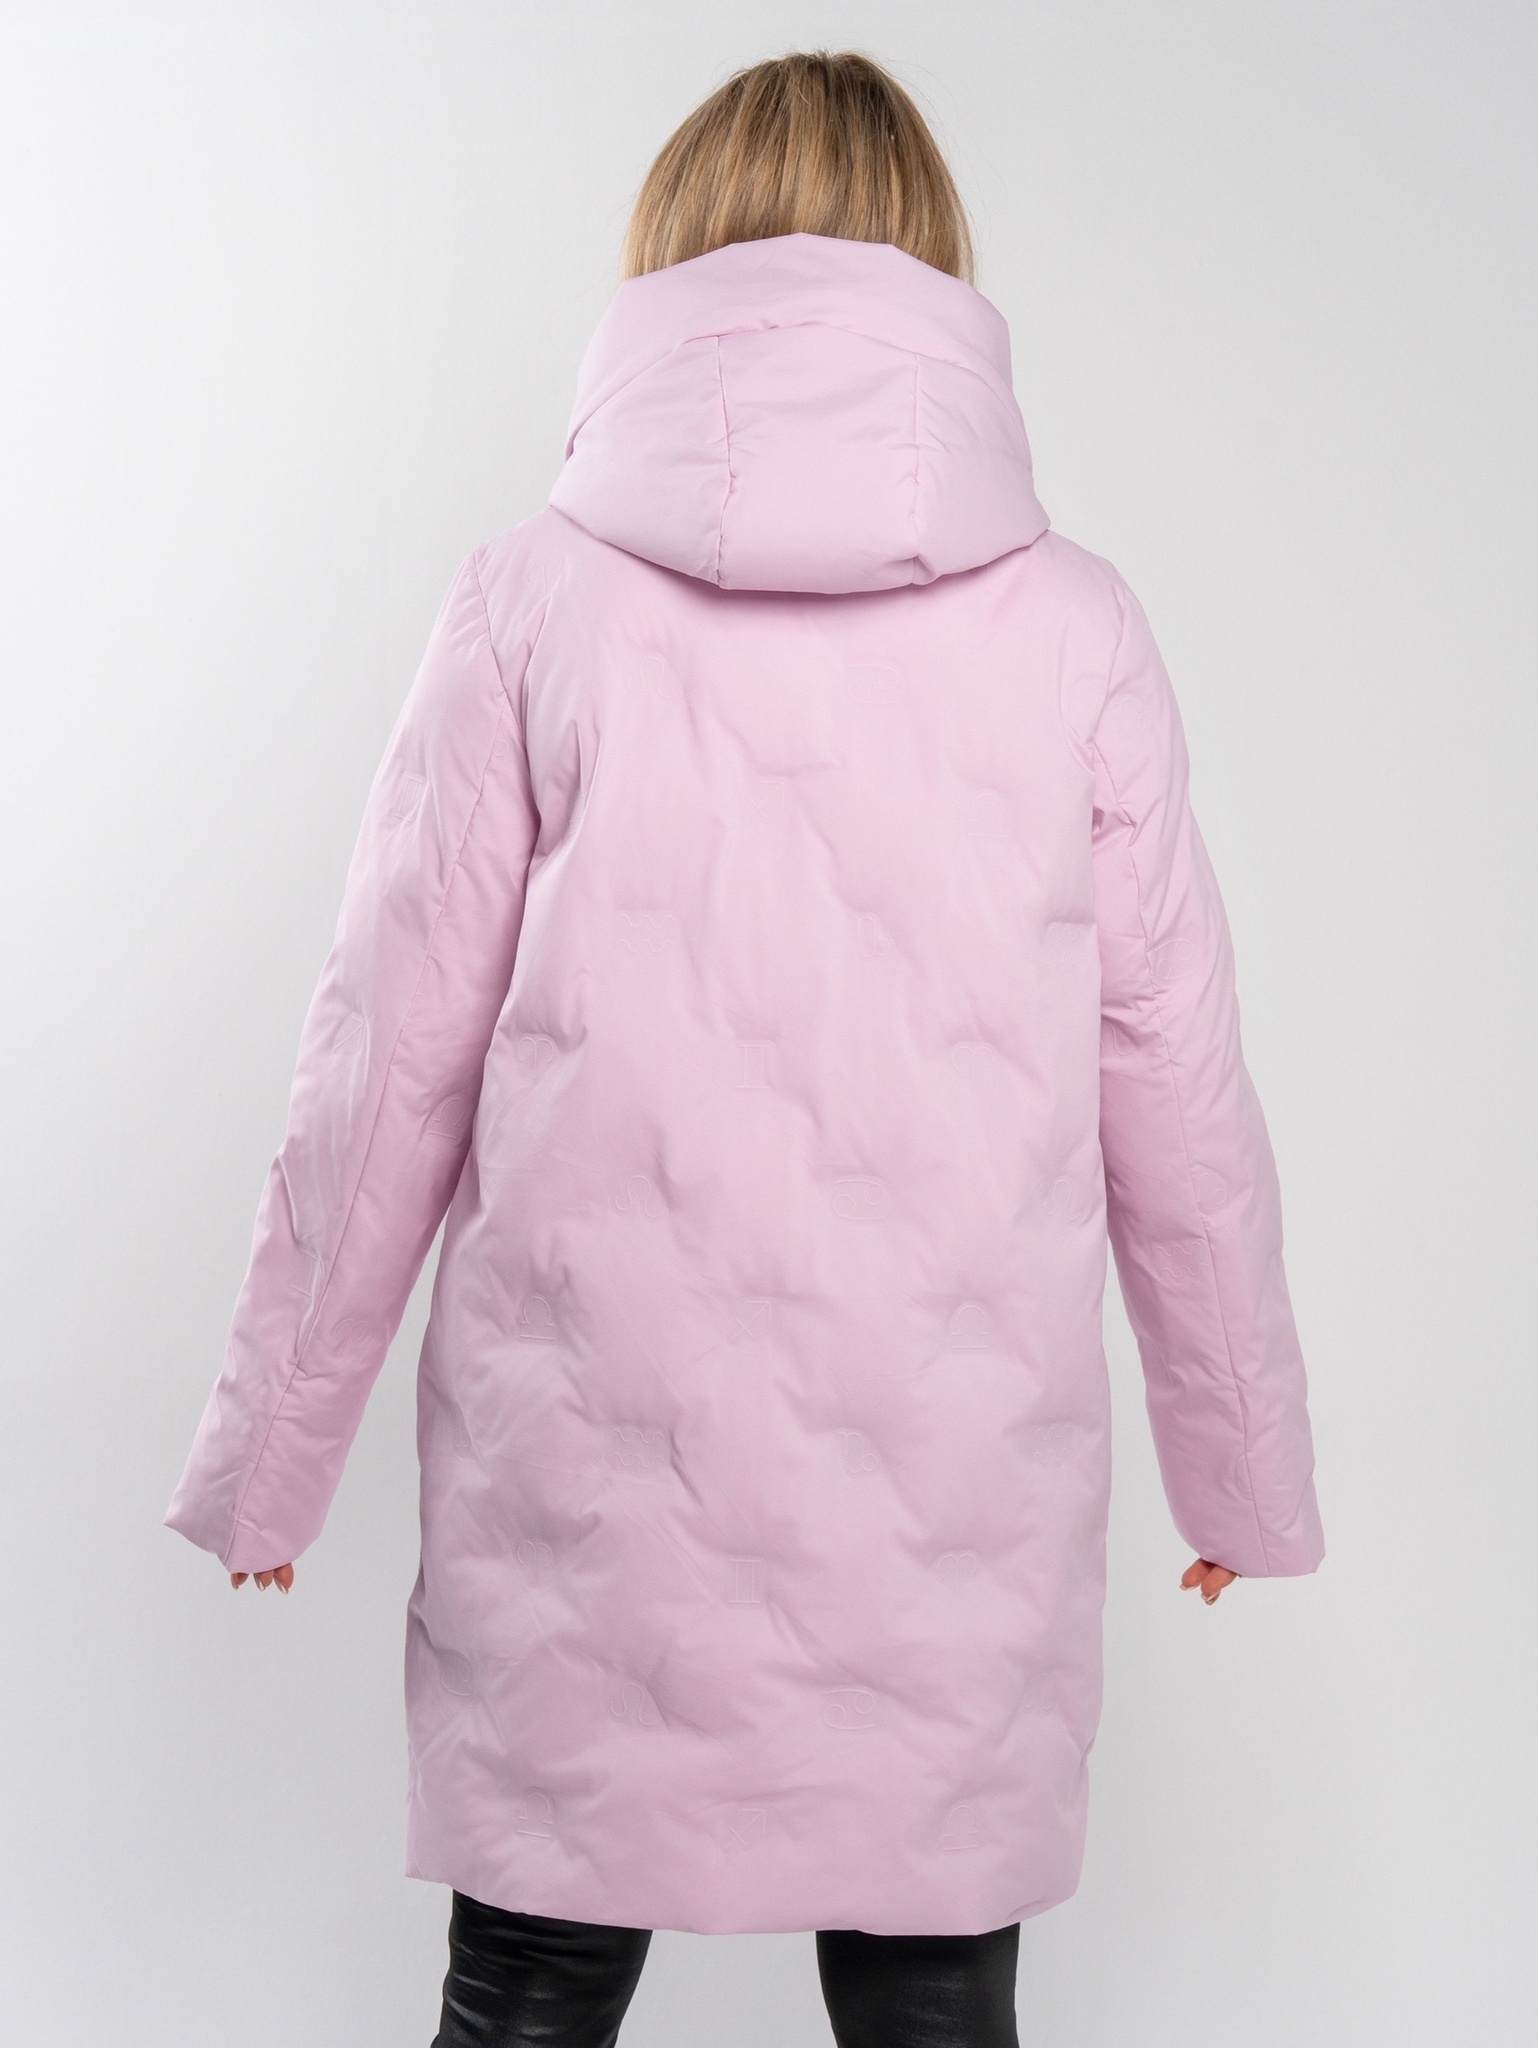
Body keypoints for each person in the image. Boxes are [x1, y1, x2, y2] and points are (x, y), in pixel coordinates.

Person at [165, 48, 1324, 2048]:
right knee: (933, 2000)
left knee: (525, 1996)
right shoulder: (1077, 629)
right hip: (949, 1499)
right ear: (935, 269)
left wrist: (274, 1460)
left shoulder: (526, 603)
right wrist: (1244, 1476)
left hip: (585, 1483)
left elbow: (382, 1066)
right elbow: (1180, 1092)